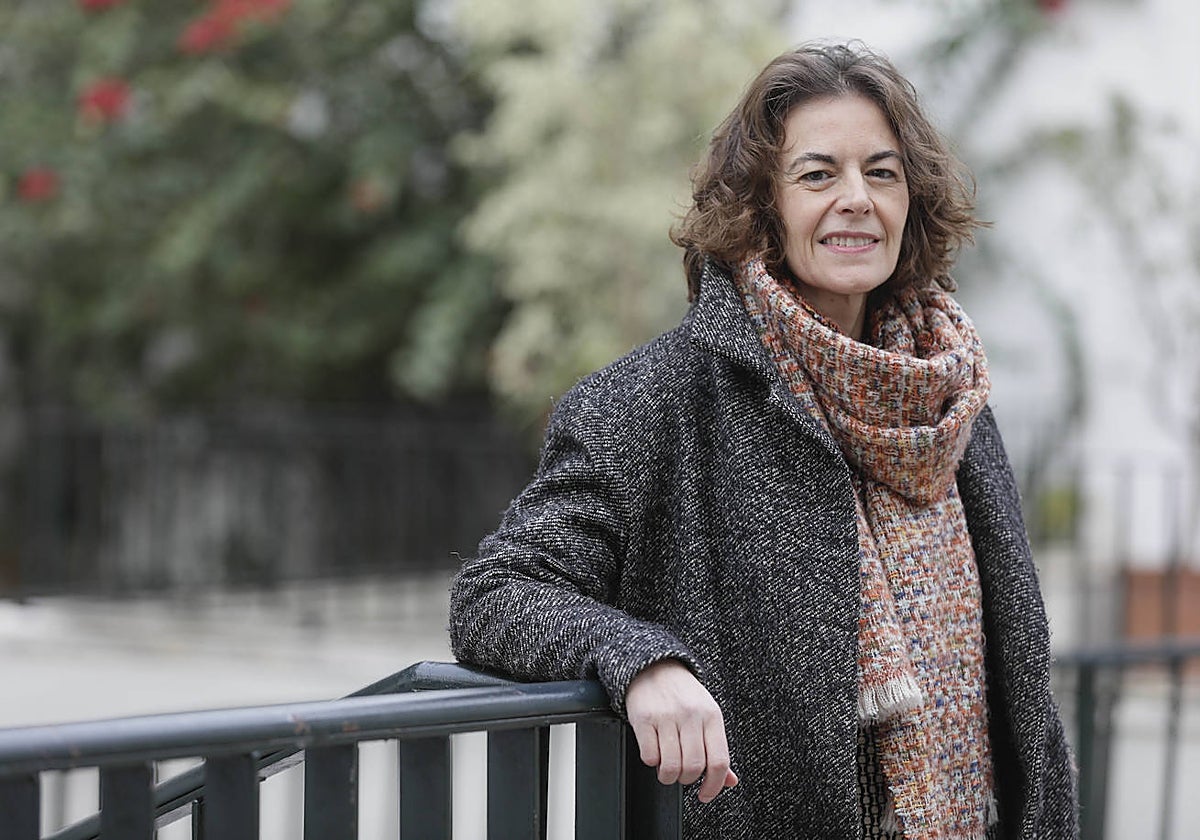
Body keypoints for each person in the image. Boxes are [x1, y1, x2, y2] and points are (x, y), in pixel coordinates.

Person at [449, 41, 1079, 839]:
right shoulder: (656, 402)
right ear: (760, 204)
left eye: (881, 173)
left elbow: (1015, 693)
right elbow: (495, 593)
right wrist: (643, 662)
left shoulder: (948, 398)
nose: (856, 198)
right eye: (818, 174)